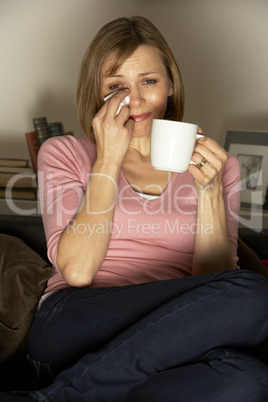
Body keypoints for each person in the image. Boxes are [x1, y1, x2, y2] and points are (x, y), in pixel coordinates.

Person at [22, 16, 268, 401]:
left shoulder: (218, 165)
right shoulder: (64, 152)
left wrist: (209, 191)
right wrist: (107, 159)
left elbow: (213, 283)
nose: (134, 101)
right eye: (116, 86)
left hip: (176, 339)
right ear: (96, 92)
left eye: (148, 82)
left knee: (248, 379)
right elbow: (78, 270)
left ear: (170, 84)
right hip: (75, 321)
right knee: (257, 293)